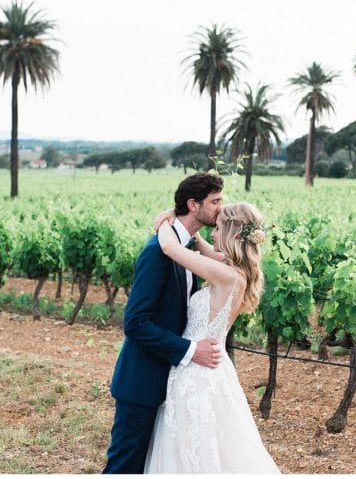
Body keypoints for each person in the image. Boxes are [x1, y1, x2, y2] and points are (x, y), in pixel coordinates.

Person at [144, 201, 280, 474]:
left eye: (217, 229)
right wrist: (179, 216)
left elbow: (172, 248)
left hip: (197, 374)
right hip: (208, 369)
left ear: (231, 234)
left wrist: (165, 222)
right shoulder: (233, 270)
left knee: (191, 450)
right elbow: (196, 242)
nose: (213, 235)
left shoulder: (227, 275)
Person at [103, 172, 226, 474]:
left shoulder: (187, 248)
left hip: (173, 383)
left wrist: (172, 214)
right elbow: (135, 323)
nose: (221, 208)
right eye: (215, 201)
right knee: (125, 466)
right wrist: (189, 350)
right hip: (142, 382)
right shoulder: (157, 252)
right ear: (194, 204)